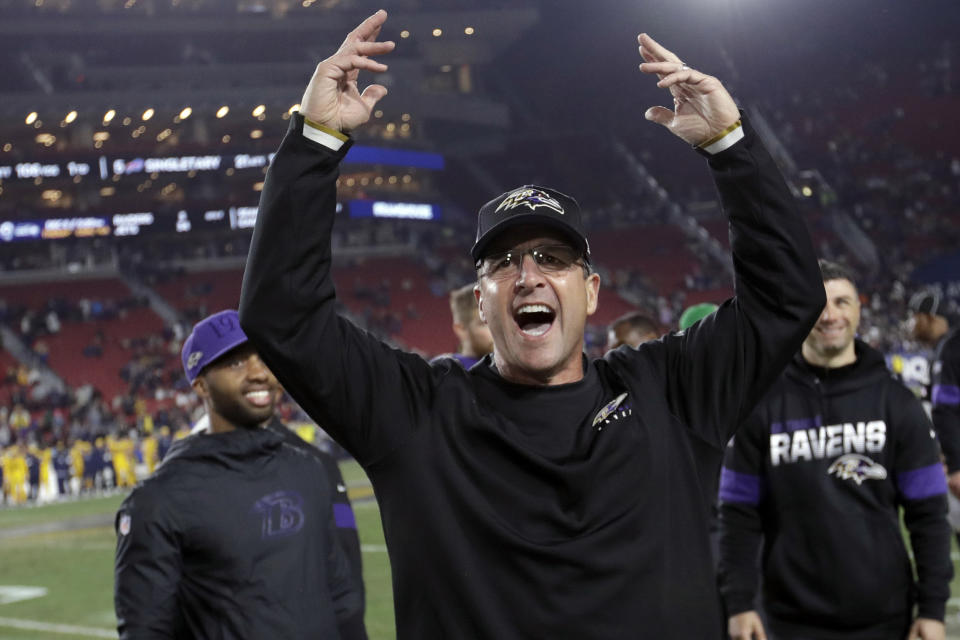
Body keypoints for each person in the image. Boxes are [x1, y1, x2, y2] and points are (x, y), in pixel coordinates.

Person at [238, 10, 824, 637]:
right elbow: (283, 313)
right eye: (503, 263)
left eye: (554, 259)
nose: (528, 276)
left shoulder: (673, 393)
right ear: (480, 300)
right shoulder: (418, 414)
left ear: (591, 291)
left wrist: (731, 148)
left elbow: (787, 296)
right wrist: (316, 141)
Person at [718, 261, 951, 640]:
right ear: (799, 311)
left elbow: (928, 514)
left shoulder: (896, 403)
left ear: (858, 309)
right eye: (818, 305)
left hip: (884, 617)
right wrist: (739, 602)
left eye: (842, 302)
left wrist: (932, 608)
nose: (830, 316)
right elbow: (737, 515)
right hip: (786, 619)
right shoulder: (760, 406)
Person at [114, 310, 363, 639]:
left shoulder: (309, 470)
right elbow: (146, 631)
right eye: (235, 363)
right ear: (201, 385)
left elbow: (343, 599)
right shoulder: (159, 500)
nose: (259, 372)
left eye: (264, 357)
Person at [433, 282, 494, 367]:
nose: (496, 330)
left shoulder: (510, 370)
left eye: (496, 320)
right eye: (484, 323)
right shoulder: (443, 372)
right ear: (461, 330)